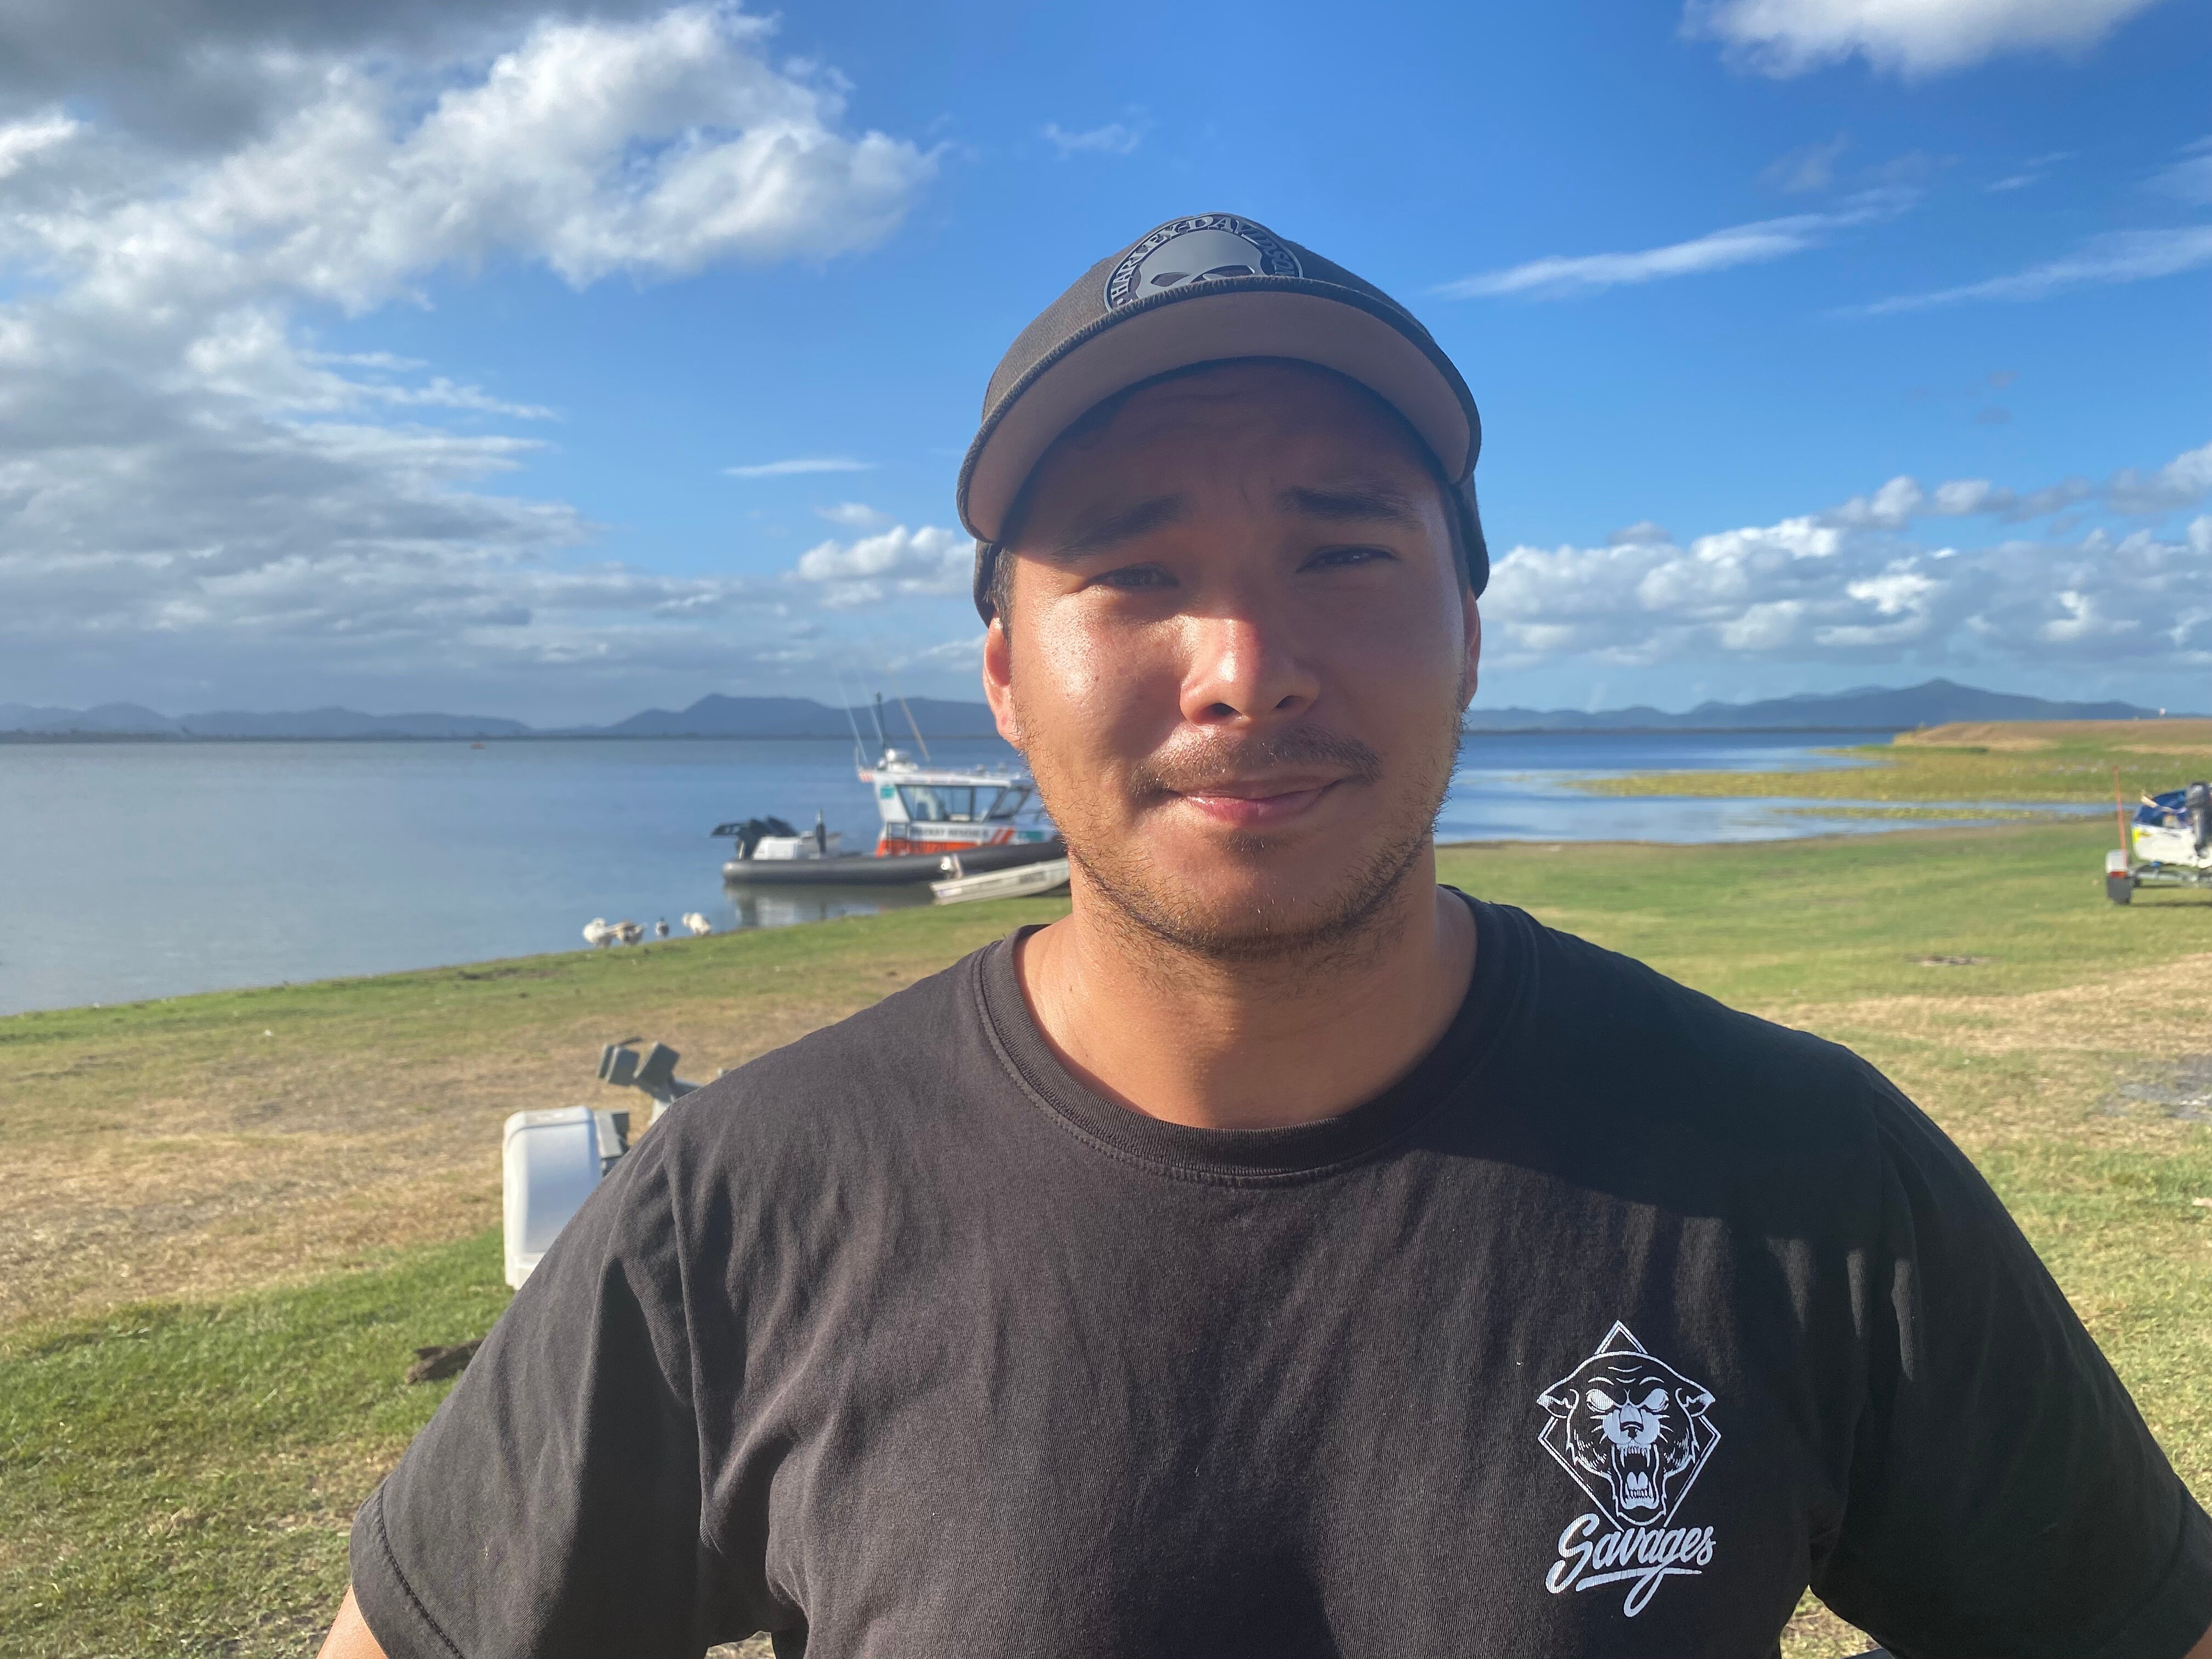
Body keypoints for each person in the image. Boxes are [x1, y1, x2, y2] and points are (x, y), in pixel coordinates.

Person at [320, 215, 2212, 1659]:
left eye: (1344, 552)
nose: (1244, 668)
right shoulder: (745, 1209)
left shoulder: (1804, 1174)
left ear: (1470, 636)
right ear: (1005, 675)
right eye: (1132, 570)